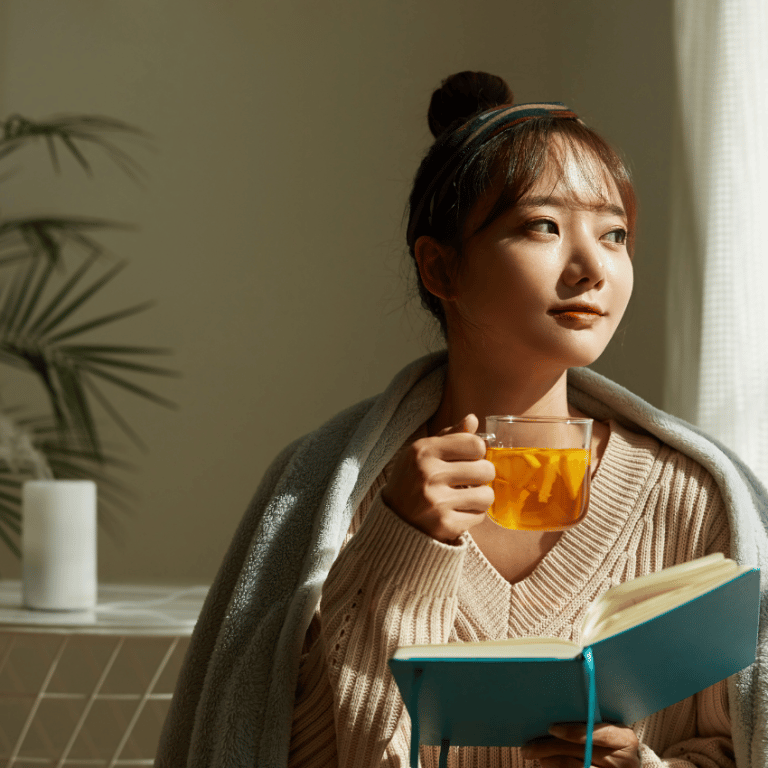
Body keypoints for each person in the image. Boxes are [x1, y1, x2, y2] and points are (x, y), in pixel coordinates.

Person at [156, 72, 768, 768]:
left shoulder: (690, 497)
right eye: (543, 225)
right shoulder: (333, 494)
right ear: (440, 267)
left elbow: (740, 744)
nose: (592, 267)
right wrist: (401, 545)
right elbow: (277, 750)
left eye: (616, 233)